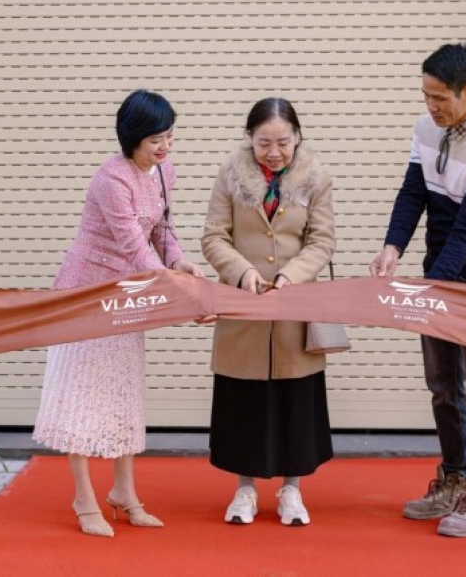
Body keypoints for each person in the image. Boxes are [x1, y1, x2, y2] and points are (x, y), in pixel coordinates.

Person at [33, 89, 205, 538]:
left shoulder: (165, 171)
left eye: (169, 136)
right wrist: (174, 287)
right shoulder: (111, 178)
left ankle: (124, 493)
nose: (165, 147)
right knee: (81, 393)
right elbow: (131, 242)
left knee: (124, 392)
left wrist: (180, 262)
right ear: (132, 139)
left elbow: (162, 231)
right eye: (156, 140)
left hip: (127, 293)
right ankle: (83, 498)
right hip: (87, 293)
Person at [369, 42, 466, 538]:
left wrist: (429, 287)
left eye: (440, 98)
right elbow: (414, 193)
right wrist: (393, 247)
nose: (431, 106)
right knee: (442, 383)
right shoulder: (426, 128)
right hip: (439, 266)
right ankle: (454, 477)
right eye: (426, 94)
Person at [201, 97, 335, 526]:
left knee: (295, 403)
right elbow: (214, 237)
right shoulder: (229, 174)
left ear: (297, 136)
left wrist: (292, 277)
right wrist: (241, 274)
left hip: (295, 307)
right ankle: (244, 492)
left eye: (282, 141)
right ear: (249, 139)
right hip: (244, 307)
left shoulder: (316, 177)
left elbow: (322, 241)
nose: (273, 152)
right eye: (263, 143)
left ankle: (292, 492)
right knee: (244, 402)